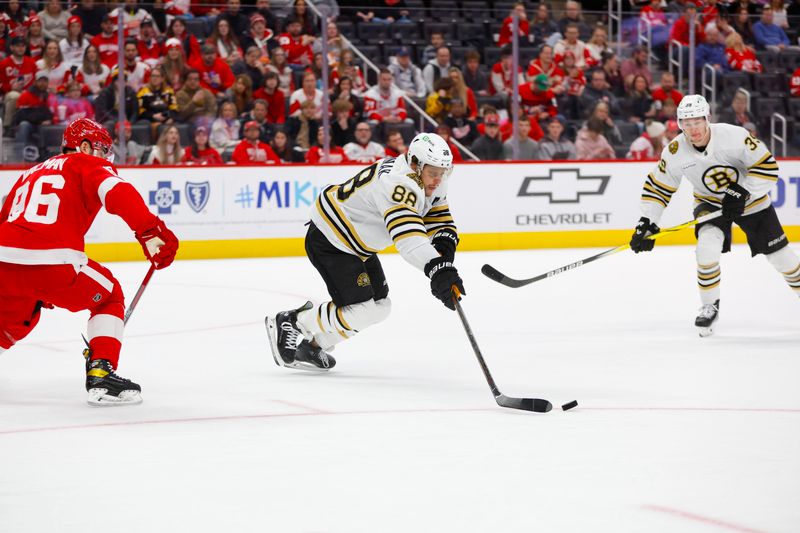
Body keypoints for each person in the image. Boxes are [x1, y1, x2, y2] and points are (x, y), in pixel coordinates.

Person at [0, 118, 178, 405]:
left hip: (2, 261)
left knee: (14, 319)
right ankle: (101, 371)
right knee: (109, 296)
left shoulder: (28, 174)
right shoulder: (87, 163)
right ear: (83, 146)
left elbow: (4, 218)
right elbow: (118, 193)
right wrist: (150, 231)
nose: (106, 157)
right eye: (102, 149)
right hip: (53, 261)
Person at [265, 132, 464, 371]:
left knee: (380, 307)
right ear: (415, 164)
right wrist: (439, 270)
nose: (438, 180)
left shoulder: (429, 178)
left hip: (357, 246)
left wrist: (444, 258)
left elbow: (439, 220)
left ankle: (314, 346)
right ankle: (293, 321)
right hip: (331, 240)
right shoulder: (398, 184)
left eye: (443, 173)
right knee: (363, 310)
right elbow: (409, 239)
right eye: (433, 173)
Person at [629, 94, 800, 336]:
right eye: (686, 123)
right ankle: (709, 306)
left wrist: (743, 192)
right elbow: (658, 187)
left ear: (707, 118)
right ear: (679, 124)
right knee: (706, 249)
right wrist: (647, 222)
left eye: (697, 121)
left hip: (751, 202)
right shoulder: (675, 151)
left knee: (784, 259)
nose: (693, 129)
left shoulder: (734, 136)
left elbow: (768, 167)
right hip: (710, 203)